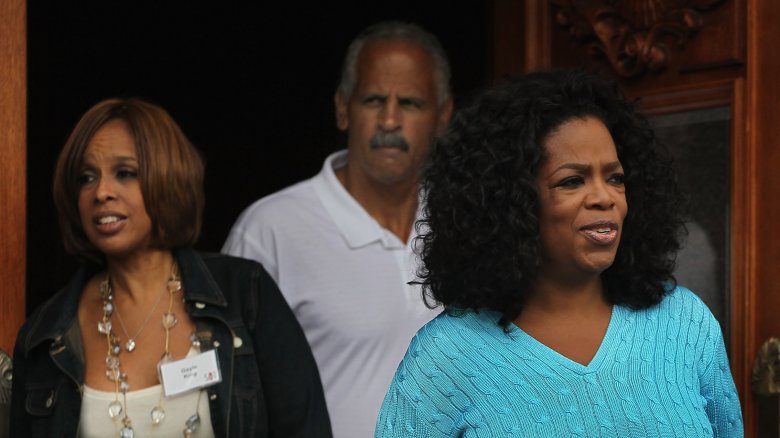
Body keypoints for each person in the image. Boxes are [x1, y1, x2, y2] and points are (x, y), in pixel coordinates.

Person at [376, 70, 744, 437]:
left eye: (615, 177)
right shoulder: (445, 360)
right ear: (512, 202)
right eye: (572, 181)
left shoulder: (685, 324)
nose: (605, 196)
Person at [11, 98, 331, 437]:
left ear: (168, 176)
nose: (102, 191)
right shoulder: (46, 336)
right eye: (86, 178)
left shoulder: (245, 296)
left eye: (125, 173)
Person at [222, 21, 453, 437]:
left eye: (411, 103)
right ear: (343, 108)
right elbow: (228, 393)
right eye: (373, 100)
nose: (389, 120)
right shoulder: (270, 231)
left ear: (443, 115)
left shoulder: (468, 221)